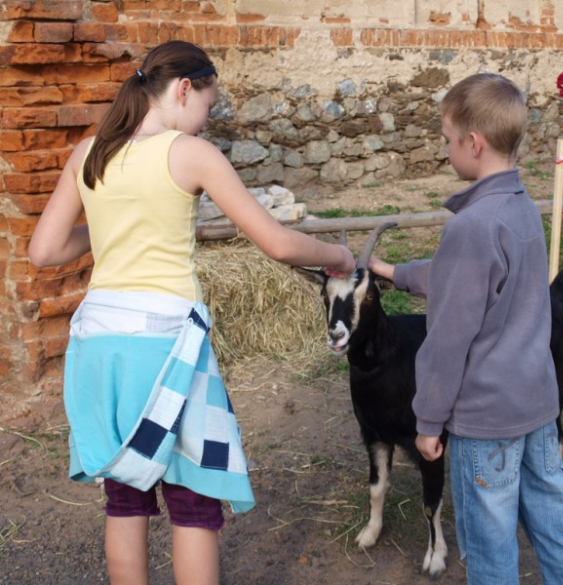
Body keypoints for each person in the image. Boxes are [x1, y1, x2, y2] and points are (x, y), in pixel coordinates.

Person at [28, 40, 355, 585]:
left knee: (125, 495)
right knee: (194, 498)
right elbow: (275, 242)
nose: (204, 120)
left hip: (99, 344)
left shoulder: (89, 152)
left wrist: (112, 225)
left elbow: (44, 251)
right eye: (208, 104)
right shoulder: (189, 152)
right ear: (184, 89)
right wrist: (338, 255)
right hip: (167, 345)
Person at [369, 73, 563, 585]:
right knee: (554, 523)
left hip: (486, 420)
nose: (446, 149)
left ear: (474, 143)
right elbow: (470, 279)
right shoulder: (519, 209)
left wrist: (427, 421)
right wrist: (394, 272)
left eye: (448, 140)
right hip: (535, 405)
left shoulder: (470, 227)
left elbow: (447, 340)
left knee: (491, 550)